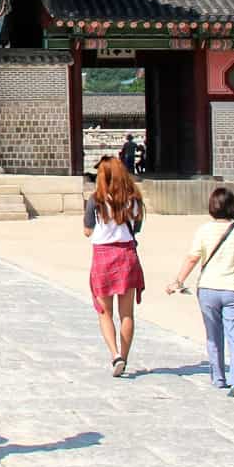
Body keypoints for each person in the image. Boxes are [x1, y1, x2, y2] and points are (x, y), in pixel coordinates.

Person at [165, 186, 234, 396]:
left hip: (208, 287)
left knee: (213, 335)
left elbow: (193, 258)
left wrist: (178, 281)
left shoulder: (203, 230)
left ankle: (218, 377)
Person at [84, 156, 146, 377]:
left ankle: (114, 355)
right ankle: (125, 357)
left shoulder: (96, 200)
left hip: (103, 256)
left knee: (105, 312)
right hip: (126, 254)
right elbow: (136, 227)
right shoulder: (134, 200)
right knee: (127, 313)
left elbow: (87, 230)